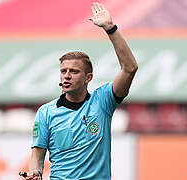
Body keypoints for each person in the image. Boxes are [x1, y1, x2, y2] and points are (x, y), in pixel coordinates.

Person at [24, 2, 138, 180]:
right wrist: (35, 173)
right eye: (63, 71)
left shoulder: (103, 102)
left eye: (74, 71)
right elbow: (37, 158)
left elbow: (130, 68)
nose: (67, 76)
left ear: (88, 78)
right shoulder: (46, 112)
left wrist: (111, 29)